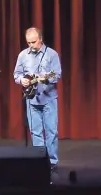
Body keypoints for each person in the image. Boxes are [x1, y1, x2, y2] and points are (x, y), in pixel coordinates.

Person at [13, 27, 62, 171]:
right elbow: (16, 74)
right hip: (31, 99)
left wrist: (45, 79)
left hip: (49, 99)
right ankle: (39, 161)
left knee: (51, 131)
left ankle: (52, 162)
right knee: (35, 132)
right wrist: (22, 80)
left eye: (33, 42)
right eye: (28, 43)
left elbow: (57, 75)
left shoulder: (52, 54)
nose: (31, 45)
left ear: (40, 39)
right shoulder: (22, 55)